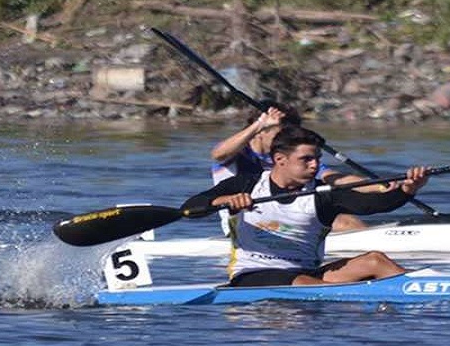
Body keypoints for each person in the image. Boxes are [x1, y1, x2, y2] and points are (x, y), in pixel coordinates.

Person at [183, 126, 429, 287]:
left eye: (317, 159)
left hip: (306, 273)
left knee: (375, 261)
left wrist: (409, 189)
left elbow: (374, 205)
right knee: (301, 283)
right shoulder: (246, 184)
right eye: (306, 159)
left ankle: (424, 290)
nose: (314, 166)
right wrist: (224, 202)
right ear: (280, 159)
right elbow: (191, 208)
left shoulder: (322, 194)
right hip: (252, 274)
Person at [210, 100, 368, 234]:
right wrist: (259, 124)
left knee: (346, 219)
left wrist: (377, 186)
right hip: (244, 224)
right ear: (260, 132)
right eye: (281, 135)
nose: (287, 141)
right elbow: (218, 154)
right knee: (343, 223)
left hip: (287, 217)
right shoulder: (236, 153)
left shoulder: (292, 157)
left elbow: (334, 178)